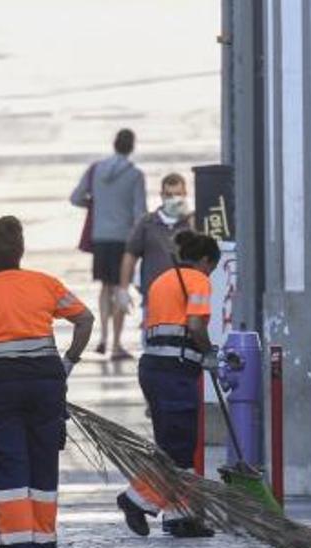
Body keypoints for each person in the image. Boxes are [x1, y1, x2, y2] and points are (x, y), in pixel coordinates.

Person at [0, 216, 95, 547]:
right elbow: (85, 320)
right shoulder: (44, 283)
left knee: (8, 458)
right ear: (20, 251)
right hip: (45, 383)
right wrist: (69, 360)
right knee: (43, 458)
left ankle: (17, 541)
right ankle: (43, 539)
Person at [115, 231, 220, 539]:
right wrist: (209, 352)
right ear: (204, 261)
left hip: (153, 368)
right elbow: (196, 325)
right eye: (212, 267)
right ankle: (136, 499)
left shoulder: (162, 279)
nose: (210, 273)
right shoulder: (198, 280)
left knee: (175, 449)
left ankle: (180, 517)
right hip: (175, 372)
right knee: (178, 450)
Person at [70, 129, 146, 361]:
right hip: (124, 238)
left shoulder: (96, 169)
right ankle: (117, 343)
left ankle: (102, 336)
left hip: (100, 237)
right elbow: (139, 212)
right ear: (131, 147)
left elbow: (76, 197)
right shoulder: (135, 175)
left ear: (114, 145)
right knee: (120, 288)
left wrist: (95, 204)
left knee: (105, 287)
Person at [117, 173, 194, 329]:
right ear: (161, 196)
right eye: (169, 195)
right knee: (153, 342)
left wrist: (189, 219)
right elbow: (130, 255)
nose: (173, 199)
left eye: (178, 194)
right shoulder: (147, 222)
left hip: (187, 298)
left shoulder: (192, 221)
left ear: (185, 195)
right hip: (154, 297)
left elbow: (206, 249)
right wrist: (123, 289)